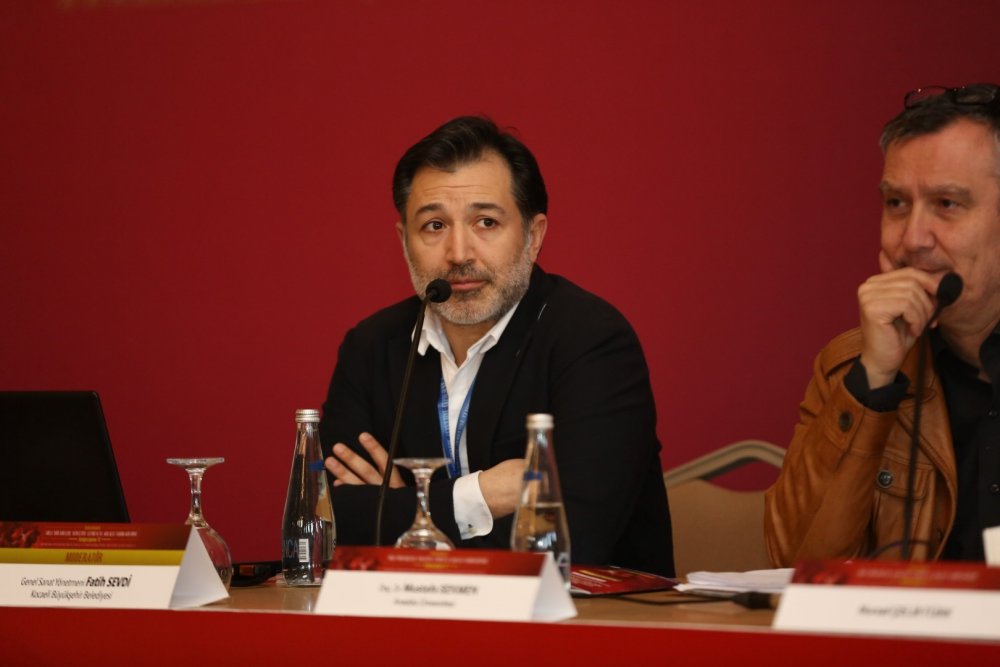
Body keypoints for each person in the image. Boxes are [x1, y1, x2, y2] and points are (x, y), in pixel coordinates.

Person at [319, 116, 674, 576]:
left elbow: (572, 539)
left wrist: (408, 515)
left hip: (581, 615)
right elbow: (333, 525)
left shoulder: (592, 341)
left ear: (533, 236)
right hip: (406, 615)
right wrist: (484, 494)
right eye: (433, 225)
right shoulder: (372, 348)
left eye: (486, 222)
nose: (459, 253)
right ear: (404, 241)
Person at [765, 83, 1000, 565]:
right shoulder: (851, 367)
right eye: (896, 203)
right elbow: (798, 566)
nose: (912, 239)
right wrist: (873, 381)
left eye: (947, 204)